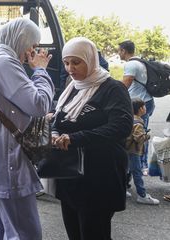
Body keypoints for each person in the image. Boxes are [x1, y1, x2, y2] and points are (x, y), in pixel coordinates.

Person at [0, 18, 54, 239]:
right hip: (6, 160)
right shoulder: (5, 62)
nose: (32, 52)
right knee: (25, 231)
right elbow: (38, 104)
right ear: (21, 39)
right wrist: (41, 71)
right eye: (32, 44)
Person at [52, 37, 133, 239]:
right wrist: (53, 131)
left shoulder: (113, 88)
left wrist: (76, 137)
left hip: (99, 177)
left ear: (91, 59)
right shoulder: (73, 87)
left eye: (76, 62)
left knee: (94, 233)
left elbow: (121, 127)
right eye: (66, 62)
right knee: (75, 233)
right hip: (70, 176)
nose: (70, 68)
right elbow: (60, 117)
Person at [118, 40, 155, 174]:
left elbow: (125, 84)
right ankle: (141, 165)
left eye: (119, 50)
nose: (118, 53)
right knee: (141, 132)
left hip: (140, 103)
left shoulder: (131, 64)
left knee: (139, 134)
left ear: (123, 50)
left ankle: (142, 165)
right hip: (146, 101)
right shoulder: (140, 62)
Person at [125, 98, 159, 205]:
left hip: (126, 149)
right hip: (133, 151)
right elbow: (138, 137)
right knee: (137, 172)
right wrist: (146, 136)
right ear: (140, 109)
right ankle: (142, 195)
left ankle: (122, 190)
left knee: (126, 170)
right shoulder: (138, 122)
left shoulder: (129, 118)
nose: (145, 108)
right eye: (144, 106)